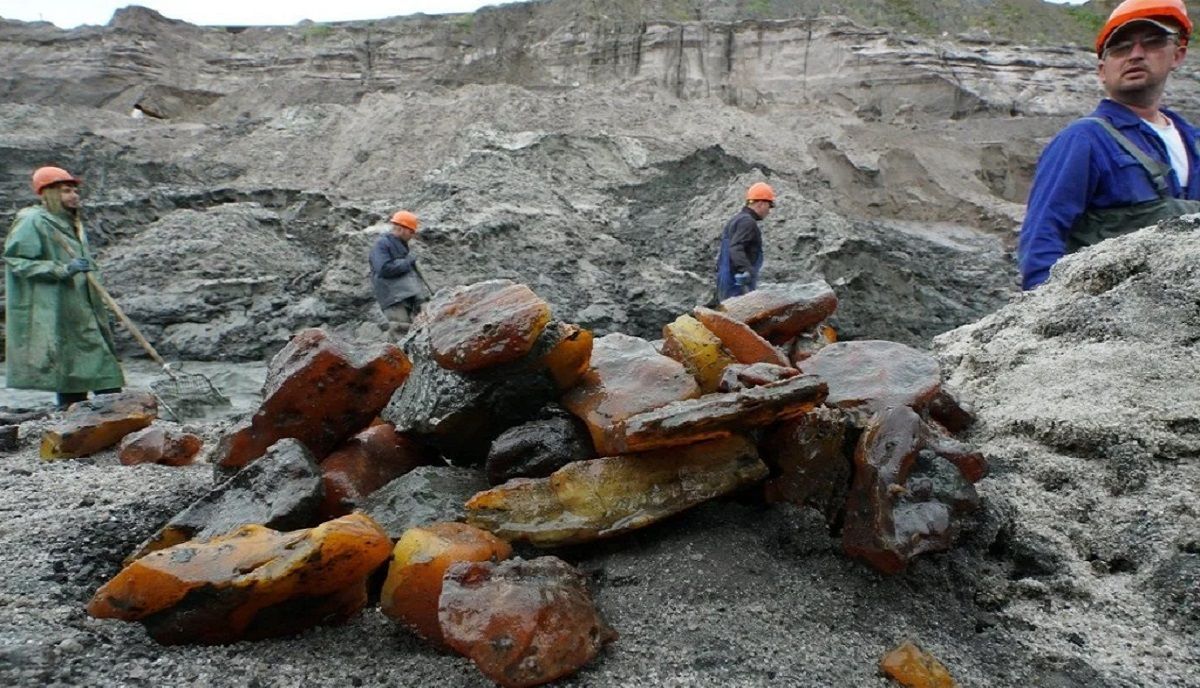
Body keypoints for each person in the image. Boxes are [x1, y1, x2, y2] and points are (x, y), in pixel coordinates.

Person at [1018, 0, 1200, 290]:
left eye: (1151, 43)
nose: (1136, 55)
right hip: (1108, 321)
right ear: (1102, 70)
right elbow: (1043, 235)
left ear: (1177, 56)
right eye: (1121, 48)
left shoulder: (1194, 143)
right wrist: (1040, 316)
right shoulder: (1084, 140)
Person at [4, 166, 124, 410]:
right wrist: (61, 268)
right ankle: (76, 429)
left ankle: (112, 422)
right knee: (70, 372)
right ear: (47, 193)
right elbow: (17, 261)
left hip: (84, 307)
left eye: (74, 191)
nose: (74, 196)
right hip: (59, 310)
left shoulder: (71, 223)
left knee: (105, 372)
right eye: (66, 191)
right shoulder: (33, 220)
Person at [369, 210, 426, 335]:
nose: (412, 235)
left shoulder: (401, 246)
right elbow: (384, 269)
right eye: (411, 232)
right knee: (400, 332)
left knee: (413, 333)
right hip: (394, 298)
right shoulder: (382, 244)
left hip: (406, 296)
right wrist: (407, 262)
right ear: (402, 229)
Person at [715, 181, 775, 301]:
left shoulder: (735, 220)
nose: (769, 211)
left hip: (726, 281)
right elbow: (736, 248)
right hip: (738, 284)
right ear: (761, 203)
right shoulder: (747, 222)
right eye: (769, 206)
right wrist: (747, 271)